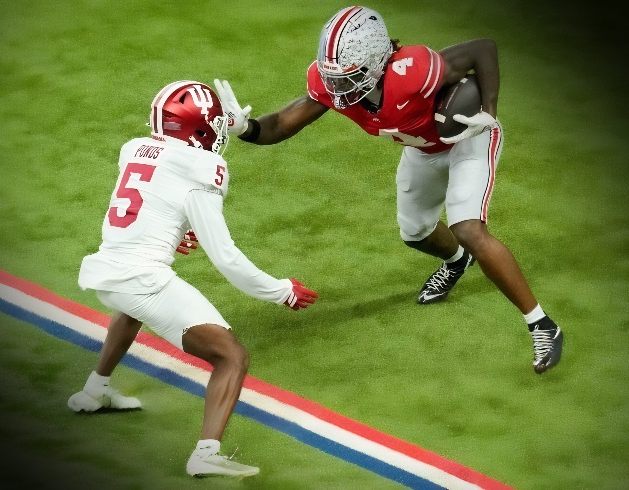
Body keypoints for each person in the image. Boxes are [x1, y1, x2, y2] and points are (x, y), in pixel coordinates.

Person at [213, 6, 563, 374]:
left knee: (468, 227)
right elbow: (283, 124)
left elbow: (482, 48)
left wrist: (489, 109)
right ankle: (458, 261)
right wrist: (246, 129)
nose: (338, 87)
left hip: (468, 138)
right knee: (415, 232)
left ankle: (542, 324)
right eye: (333, 76)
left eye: (349, 75)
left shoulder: (413, 71)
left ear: (377, 60)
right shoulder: (331, 86)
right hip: (422, 148)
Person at [67, 80, 319, 478]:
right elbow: (226, 257)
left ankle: (94, 390)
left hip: (108, 271)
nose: (220, 132)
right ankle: (206, 452)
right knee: (231, 356)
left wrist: (177, 228)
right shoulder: (204, 166)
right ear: (199, 127)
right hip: (141, 278)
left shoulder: (135, 148)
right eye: (215, 123)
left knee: (129, 308)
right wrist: (279, 291)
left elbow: (153, 199)